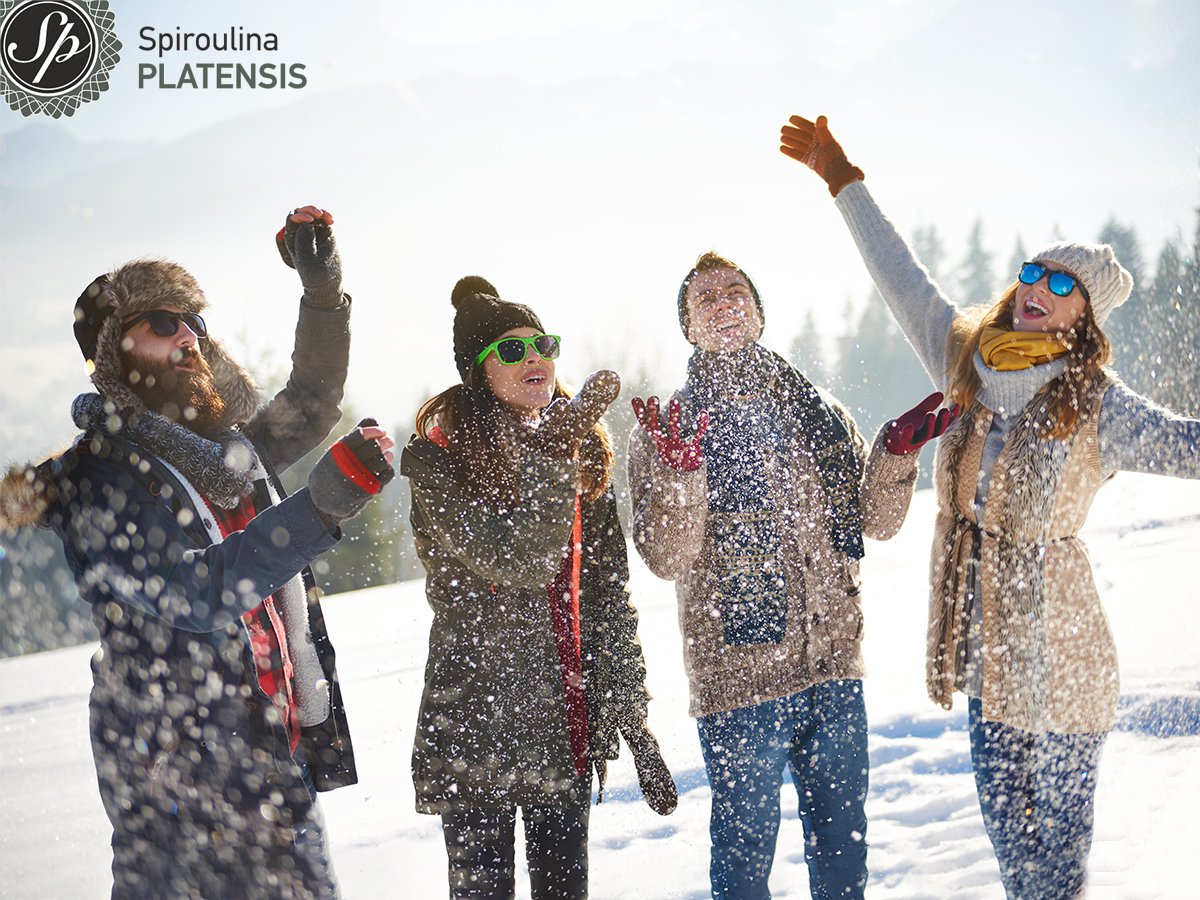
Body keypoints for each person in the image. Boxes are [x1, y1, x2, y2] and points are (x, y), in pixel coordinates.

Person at [780, 113, 1200, 898]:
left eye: (1063, 285)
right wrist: (843, 178)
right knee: (1018, 864)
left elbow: (1190, 444)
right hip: (985, 661)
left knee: (1053, 877)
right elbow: (901, 277)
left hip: (1068, 664)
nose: (1040, 289)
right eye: (1034, 273)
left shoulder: (1098, 406)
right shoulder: (963, 355)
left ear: (1087, 317)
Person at [0, 206, 394, 900]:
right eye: (160, 323)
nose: (186, 336)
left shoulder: (229, 454)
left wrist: (321, 289)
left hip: (271, 756)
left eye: (193, 322)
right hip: (179, 781)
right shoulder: (100, 477)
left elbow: (312, 396)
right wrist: (320, 507)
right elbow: (194, 595)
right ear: (114, 355)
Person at [627, 251, 956, 900]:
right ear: (689, 329)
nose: (723, 303)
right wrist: (682, 473)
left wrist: (892, 455)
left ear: (758, 309)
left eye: (735, 291)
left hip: (834, 671)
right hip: (741, 685)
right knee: (745, 866)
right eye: (705, 299)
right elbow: (666, 555)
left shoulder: (820, 409)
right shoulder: (671, 428)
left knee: (842, 857)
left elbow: (875, 524)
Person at [399, 276, 676, 900]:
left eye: (543, 344)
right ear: (477, 372)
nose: (535, 359)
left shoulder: (577, 454)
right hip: (476, 727)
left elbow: (605, 598)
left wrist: (630, 711)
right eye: (512, 350)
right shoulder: (438, 462)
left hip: (560, 719)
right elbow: (516, 559)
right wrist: (554, 458)